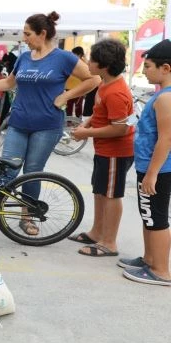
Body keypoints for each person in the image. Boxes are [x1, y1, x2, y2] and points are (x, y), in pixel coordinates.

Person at [0, 11, 100, 233]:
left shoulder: (64, 58)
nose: (24, 38)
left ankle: (28, 216)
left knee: (32, 170)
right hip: (19, 122)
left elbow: (94, 78)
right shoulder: (24, 57)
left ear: (42, 33)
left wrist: (67, 96)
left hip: (47, 126)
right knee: (7, 170)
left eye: (27, 33)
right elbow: (10, 83)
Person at [66, 39, 134, 257]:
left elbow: (119, 129)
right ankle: (97, 232)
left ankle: (109, 242)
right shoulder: (105, 83)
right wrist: (86, 124)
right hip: (103, 150)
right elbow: (100, 113)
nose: (88, 63)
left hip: (116, 152)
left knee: (111, 196)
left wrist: (87, 133)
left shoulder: (116, 91)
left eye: (92, 60)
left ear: (103, 65)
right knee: (99, 191)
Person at [120, 39, 171, 286]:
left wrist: (152, 174)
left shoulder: (166, 99)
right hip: (149, 167)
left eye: (148, 66)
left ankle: (161, 270)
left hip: (158, 170)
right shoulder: (160, 95)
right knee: (148, 214)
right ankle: (150, 258)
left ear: (166, 68)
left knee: (157, 217)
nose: (144, 71)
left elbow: (166, 139)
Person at [63, 46, 86, 118]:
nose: (72, 55)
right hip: (69, 88)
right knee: (69, 105)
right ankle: (69, 121)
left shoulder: (84, 63)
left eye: (74, 54)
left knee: (78, 105)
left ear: (79, 54)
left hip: (79, 89)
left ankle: (78, 121)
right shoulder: (70, 62)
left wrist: (85, 91)